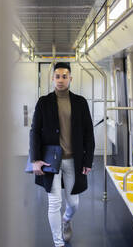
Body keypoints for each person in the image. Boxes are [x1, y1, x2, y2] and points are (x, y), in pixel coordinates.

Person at [29, 62, 95, 247]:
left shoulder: (80, 102)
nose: (60, 80)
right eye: (57, 76)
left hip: (74, 160)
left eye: (64, 76)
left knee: (74, 203)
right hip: (51, 160)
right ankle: (58, 243)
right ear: (52, 79)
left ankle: (67, 220)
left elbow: (89, 133)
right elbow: (34, 131)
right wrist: (35, 159)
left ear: (70, 79)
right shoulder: (43, 102)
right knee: (54, 202)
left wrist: (88, 160)